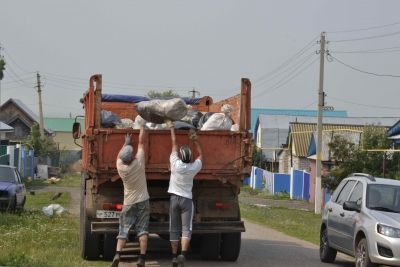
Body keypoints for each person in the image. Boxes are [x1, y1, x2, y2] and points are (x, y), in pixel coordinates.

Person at [111, 125, 150, 267]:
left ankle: (117, 254)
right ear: (132, 156)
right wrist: (143, 128)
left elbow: (119, 156)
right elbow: (141, 143)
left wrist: (125, 143)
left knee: (123, 229)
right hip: (143, 201)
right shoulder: (139, 163)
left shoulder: (120, 167)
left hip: (128, 202)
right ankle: (142, 258)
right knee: (143, 230)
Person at [168, 125, 203, 267]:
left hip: (174, 199)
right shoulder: (193, 168)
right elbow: (201, 155)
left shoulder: (175, 164)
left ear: (180, 157)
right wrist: (195, 141)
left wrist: (171, 128)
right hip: (187, 200)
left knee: (174, 228)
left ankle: (174, 256)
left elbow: (174, 144)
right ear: (189, 158)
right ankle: (183, 254)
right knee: (185, 229)